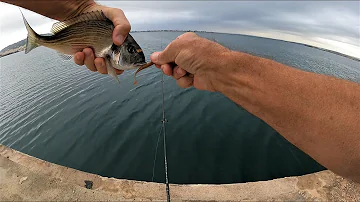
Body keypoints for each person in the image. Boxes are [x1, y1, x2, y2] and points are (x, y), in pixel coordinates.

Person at [2, 0, 360, 183]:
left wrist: (80, 9)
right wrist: (79, 10)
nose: (135, 59)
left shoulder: (117, 47)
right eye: (132, 55)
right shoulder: (113, 46)